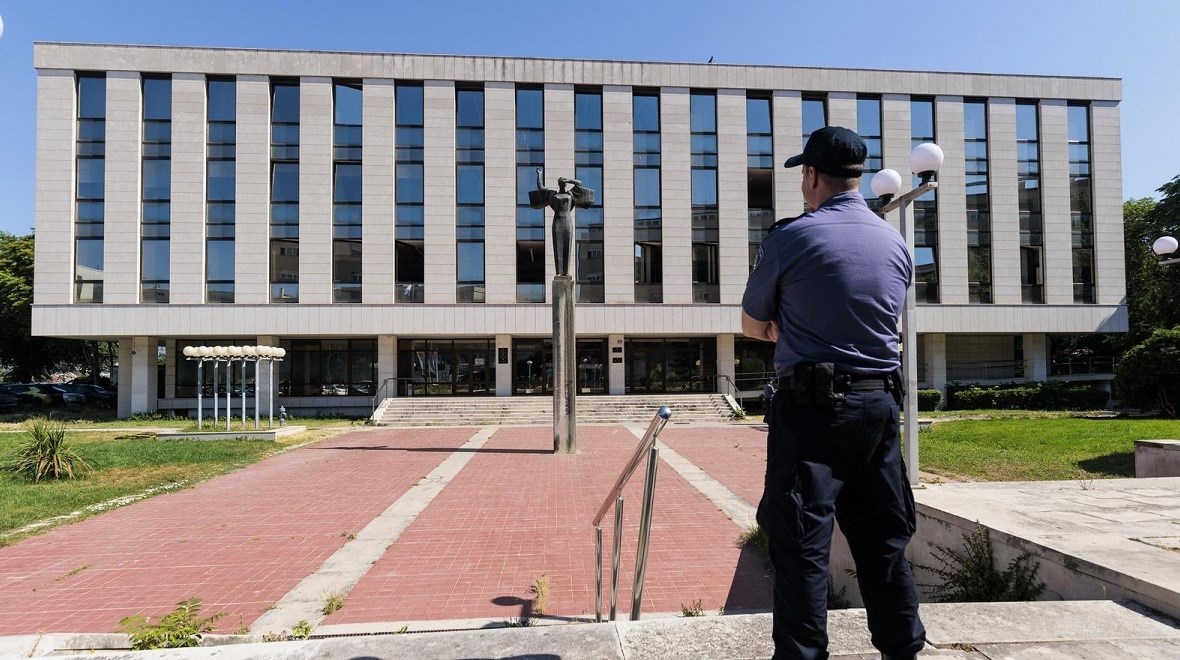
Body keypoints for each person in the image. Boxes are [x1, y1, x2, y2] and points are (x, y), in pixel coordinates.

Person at [740, 125, 925, 660]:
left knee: (800, 544)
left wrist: (786, 327)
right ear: (860, 177)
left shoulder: (792, 238)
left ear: (812, 174)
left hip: (812, 412)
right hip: (878, 407)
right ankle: (903, 649)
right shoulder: (894, 242)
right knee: (884, 540)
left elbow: (753, 324)